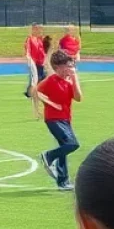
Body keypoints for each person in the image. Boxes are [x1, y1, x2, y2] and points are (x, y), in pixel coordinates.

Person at [36, 50, 82, 192]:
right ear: (59, 67)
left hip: (66, 119)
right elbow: (35, 92)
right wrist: (50, 103)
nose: (70, 67)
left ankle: (63, 182)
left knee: (65, 148)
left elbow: (79, 98)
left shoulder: (68, 82)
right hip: (53, 119)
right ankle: (48, 156)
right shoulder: (51, 80)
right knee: (72, 144)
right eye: (67, 65)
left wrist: (74, 79)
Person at [24, 23, 46, 114]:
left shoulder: (41, 39)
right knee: (35, 84)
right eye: (36, 29)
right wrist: (29, 59)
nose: (38, 31)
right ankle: (36, 108)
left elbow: (44, 51)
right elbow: (28, 51)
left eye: (39, 29)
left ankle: (39, 104)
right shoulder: (30, 39)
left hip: (41, 65)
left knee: (42, 85)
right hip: (34, 64)